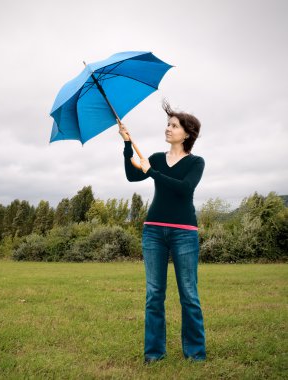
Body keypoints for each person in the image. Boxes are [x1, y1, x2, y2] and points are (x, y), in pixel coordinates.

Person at [118, 101, 206, 363]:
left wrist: (152, 172)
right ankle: (154, 354)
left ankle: (195, 354)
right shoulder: (156, 158)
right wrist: (126, 144)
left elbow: (184, 188)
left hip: (184, 233)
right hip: (153, 231)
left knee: (189, 294)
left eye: (174, 125)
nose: (168, 128)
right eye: (168, 124)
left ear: (187, 133)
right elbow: (132, 177)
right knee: (154, 295)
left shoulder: (196, 162)